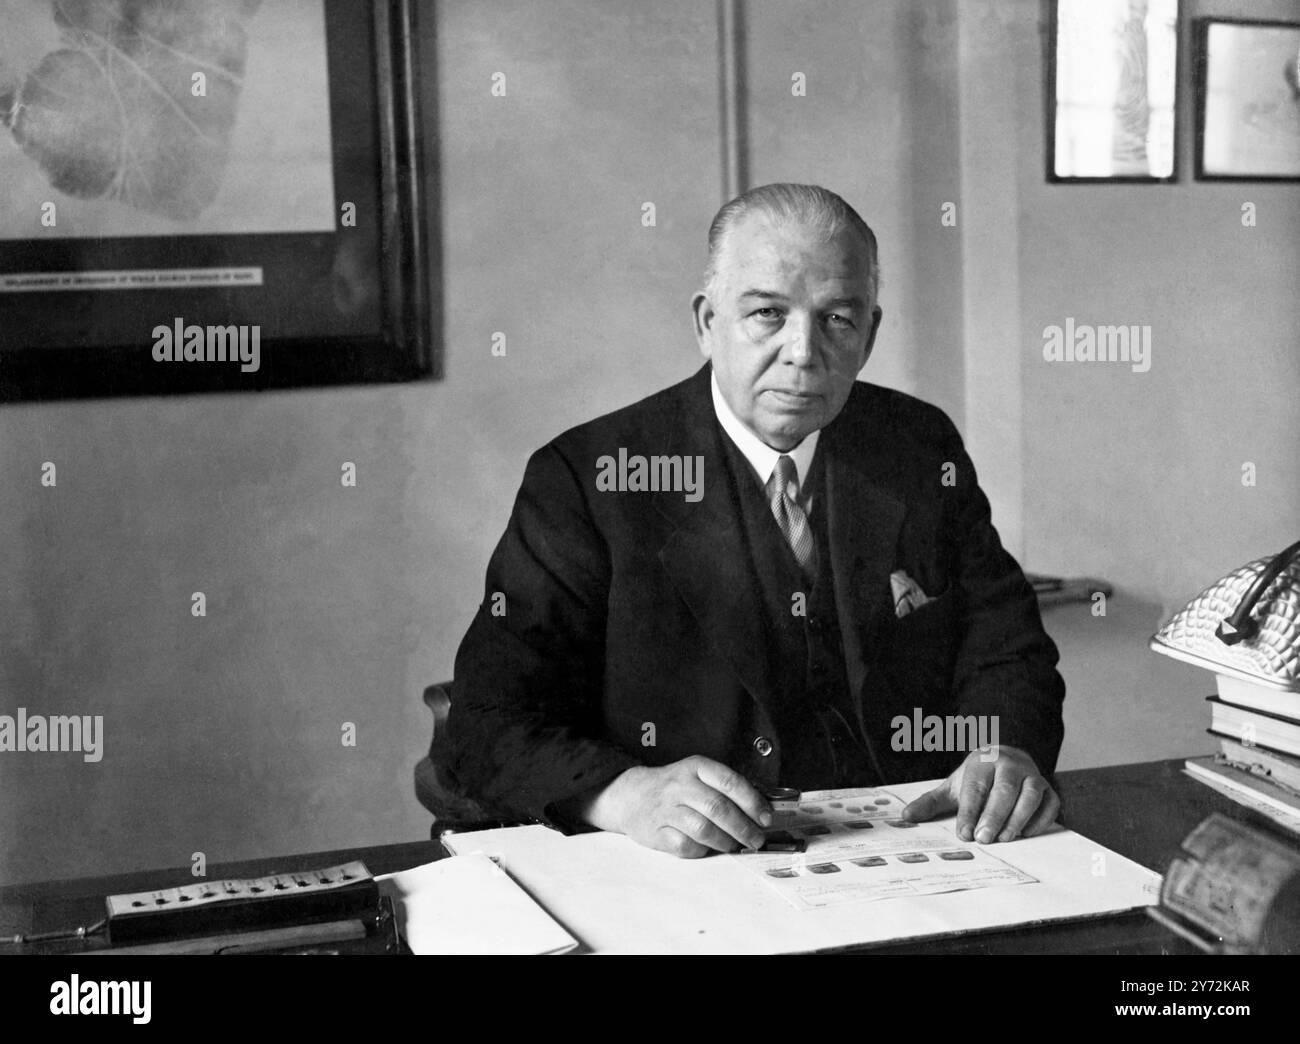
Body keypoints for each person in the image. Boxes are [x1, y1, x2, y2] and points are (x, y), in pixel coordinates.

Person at [442, 183, 1065, 858]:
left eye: (837, 319)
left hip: (916, 856)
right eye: (768, 313)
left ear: (871, 334)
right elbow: (486, 718)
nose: (804, 352)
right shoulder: (587, 478)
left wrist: (1001, 753)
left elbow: (1006, 646)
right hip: (693, 879)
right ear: (707, 322)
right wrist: (625, 795)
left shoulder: (919, 446)